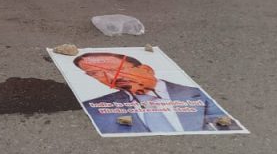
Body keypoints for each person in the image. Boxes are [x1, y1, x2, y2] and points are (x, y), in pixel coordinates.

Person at [74, 52, 239, 134]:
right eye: (96, 74)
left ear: (145, 69)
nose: (110, 77)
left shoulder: (198, 95)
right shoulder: (93, 108)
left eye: (114, 69)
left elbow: (228, 128)